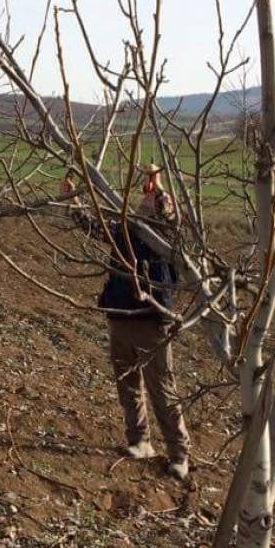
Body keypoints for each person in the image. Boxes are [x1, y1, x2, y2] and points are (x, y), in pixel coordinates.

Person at [96, 164, 190, 482]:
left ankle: (179, 455)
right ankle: (139, 441)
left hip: (152, 322)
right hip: (120, 316)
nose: (146, 201)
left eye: (152, 201)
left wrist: (160, 189)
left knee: (162, 390)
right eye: (145, 198)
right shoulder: (124, 229)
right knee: (127, 384)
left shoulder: (165, 235)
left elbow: (174, 221)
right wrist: (71, 198)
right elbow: (90, 223)